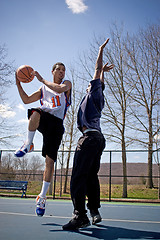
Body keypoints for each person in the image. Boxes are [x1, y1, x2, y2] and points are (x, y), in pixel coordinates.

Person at [62, 39, 114, 230]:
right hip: (97, 139)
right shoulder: (94, 96)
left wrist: (100, 51)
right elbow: (100, 78)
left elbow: (97, 69)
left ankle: (80, 216)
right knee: (91, 176)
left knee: (77, 177)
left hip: (90, 138)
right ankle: (94, 210)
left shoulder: (94, 93)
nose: (90, 83)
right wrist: (102, 76)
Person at [14, 62, 72, 216]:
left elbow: (59, 89)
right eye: (58, 70)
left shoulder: (67, 84)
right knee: (35, 112)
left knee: (50, 162)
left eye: (63, 70)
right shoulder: (43, 89)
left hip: (57, 125)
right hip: (45, 119)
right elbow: (26, 100)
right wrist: (18, 83)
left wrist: (41, 80)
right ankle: (28, 144)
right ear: (52, 71)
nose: (61, 72)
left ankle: (42, 197)